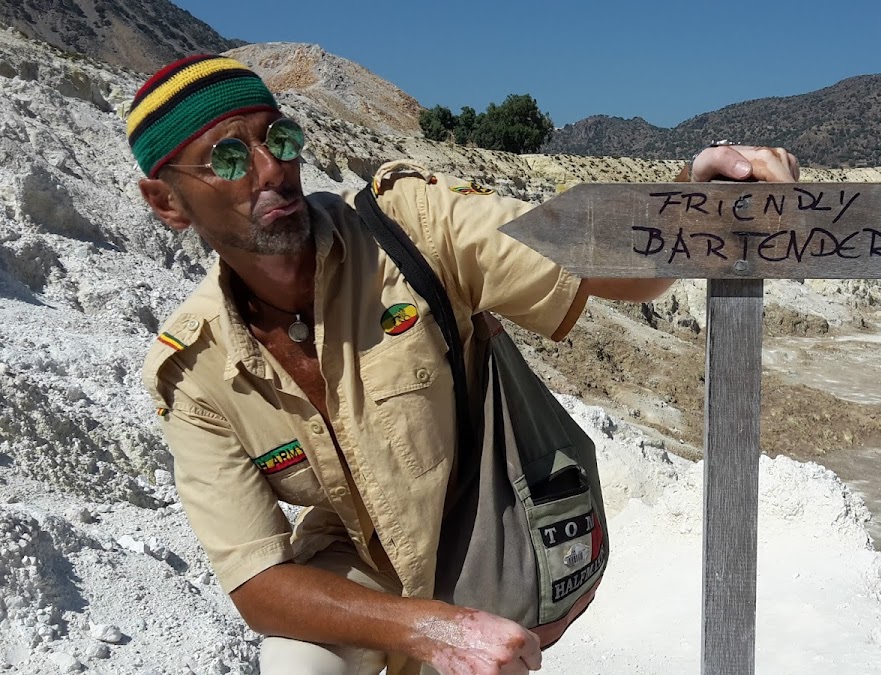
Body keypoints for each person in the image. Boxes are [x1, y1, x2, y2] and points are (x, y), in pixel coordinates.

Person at [133, 54, 800, 675]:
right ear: (166, 203)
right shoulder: (194, 369)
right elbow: (258, 582)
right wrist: (427, 628)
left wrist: (691, 196)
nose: (270, 168)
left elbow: (612, 265)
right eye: (227, 157)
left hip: (486, 528)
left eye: (279, 139)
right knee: (296, 665)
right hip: (363, 561)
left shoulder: (411, 226)